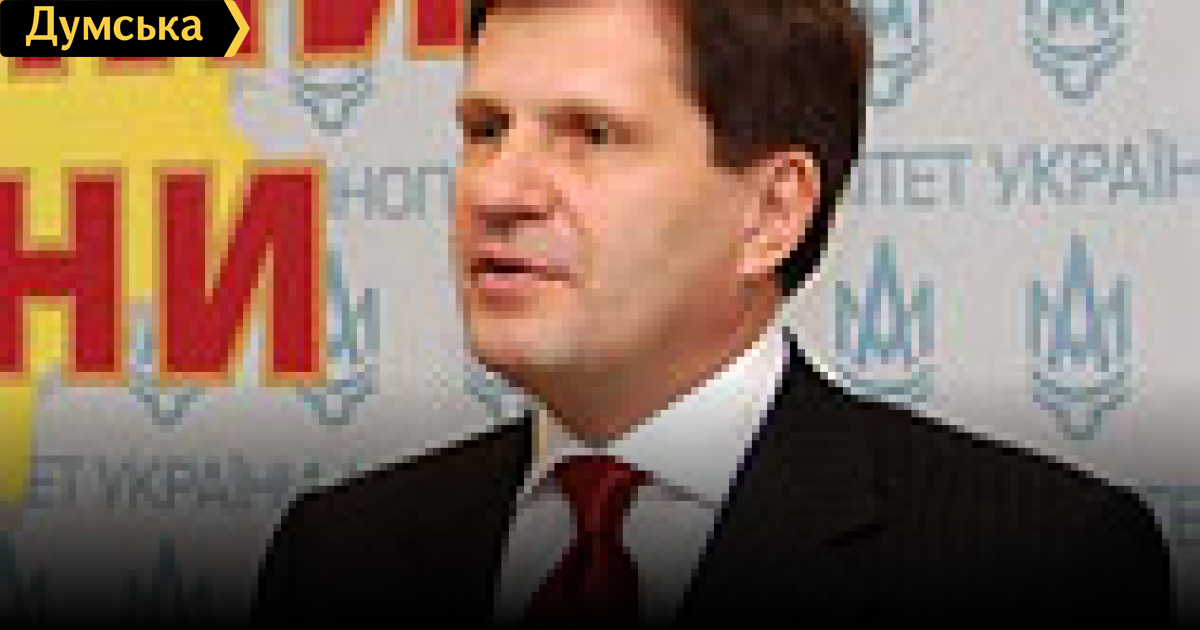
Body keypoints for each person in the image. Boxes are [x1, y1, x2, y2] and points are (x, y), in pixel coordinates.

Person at [254, 0, 1175, 625]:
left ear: (772, 213)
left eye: (592, 136)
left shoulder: (1037, 561)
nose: (497, 191)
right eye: (486, 130)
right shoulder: (335, 556)